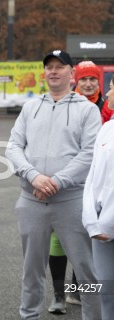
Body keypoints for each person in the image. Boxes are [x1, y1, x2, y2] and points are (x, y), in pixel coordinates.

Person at [5, 50, 102, 319]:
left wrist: (58, 181)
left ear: (72, 74)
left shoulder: (87, 109)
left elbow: (89, 152)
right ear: (44, 72)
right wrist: (33, 176)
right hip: (31, 200)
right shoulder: (30, 107)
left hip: (71, 201)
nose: (54, 71)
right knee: (31, 270)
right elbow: (13, 147)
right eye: (49, 67)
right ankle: (30, 315)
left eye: (60, 67)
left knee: (87, 270)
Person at [47, 59, 110, 312]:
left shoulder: (107, 107)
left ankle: (79, 291)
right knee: (59, 239)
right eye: (83, 78)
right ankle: (59, 295)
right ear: (76, 80)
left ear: (98, 81)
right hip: (68, 180)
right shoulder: (65, 105)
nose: (87, 83)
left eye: (92, 79)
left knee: (90, 239)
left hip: (98, 183)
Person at [82, 73, 114, 319]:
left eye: (112, 88)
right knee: (105, 293)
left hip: (108, 224)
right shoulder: (106, 128)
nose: (109, 94)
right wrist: (92, 221)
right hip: (101, 231)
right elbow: (93, 179)